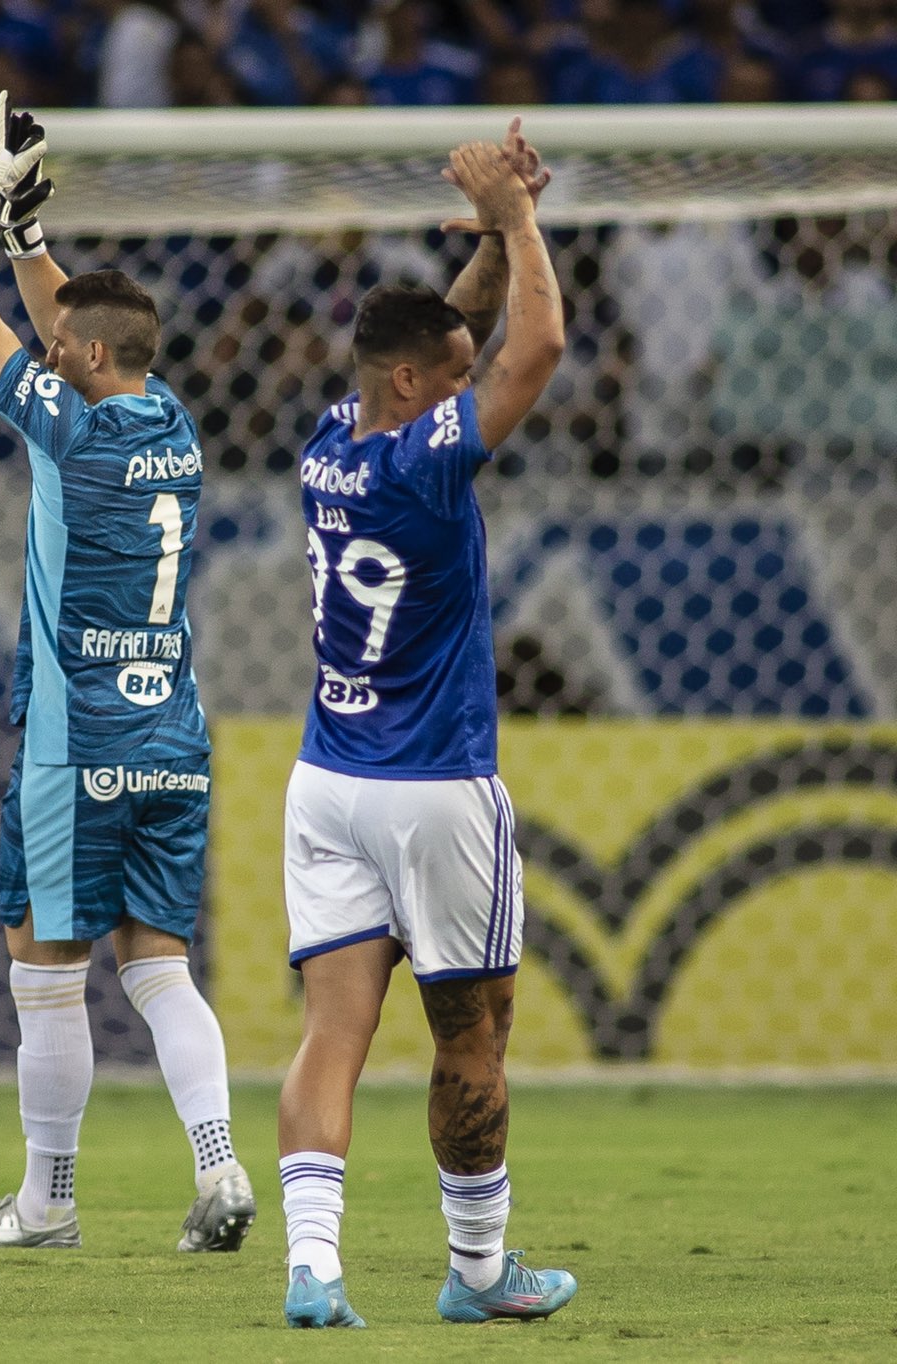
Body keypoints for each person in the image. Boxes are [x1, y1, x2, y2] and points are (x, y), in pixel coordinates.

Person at [0, 90, 254, 1256]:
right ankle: (217, 1168)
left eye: (59, 347)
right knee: (158, 966)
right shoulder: (168, 415)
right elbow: (58, 319)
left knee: (46, 970)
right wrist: (27, 239)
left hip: (76, 743)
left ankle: (48, 1200)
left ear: (85, 364)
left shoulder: (68, 432)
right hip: (170, 729)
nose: (45, 351)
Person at [275, 119, 576, 1329]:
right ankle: (478, 1269)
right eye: (452, 378)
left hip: (324, 782)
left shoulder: (328, 447)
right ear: (412, 389)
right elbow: (538, 345)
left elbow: (436, 341)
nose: (469, 386)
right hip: (435, 786)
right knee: (473, 1035)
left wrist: (480, 254)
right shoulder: (422, 467)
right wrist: (514, 223)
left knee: (330, 1036)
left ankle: (312, 1268)